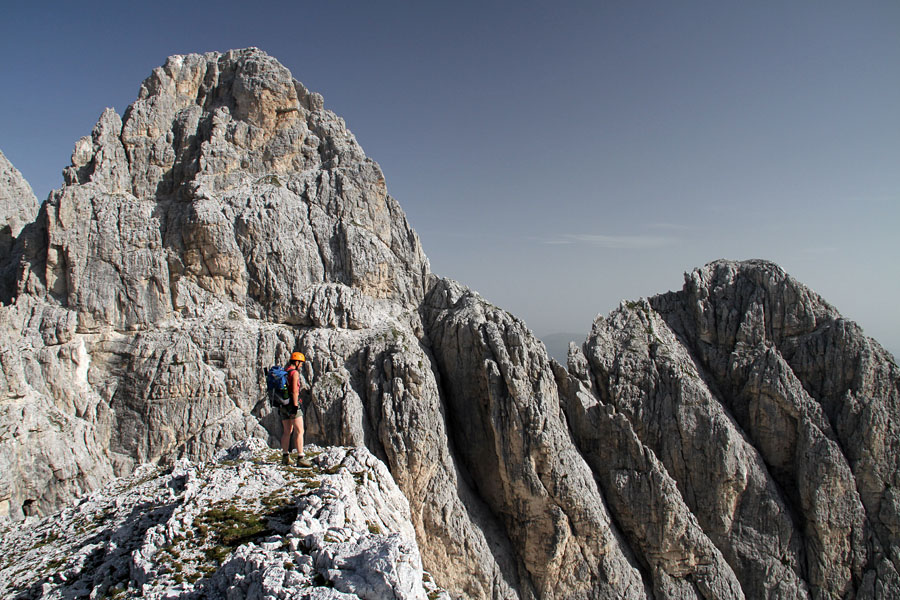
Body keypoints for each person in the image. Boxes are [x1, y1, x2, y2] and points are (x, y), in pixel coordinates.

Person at [281, 351, 312, 467]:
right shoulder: (294, 373)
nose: (302, 365)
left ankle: (285, 457)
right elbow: (294, 391)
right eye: (301, 363)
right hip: (291, 405)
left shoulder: (284, 372)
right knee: (300, 431)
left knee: (287, 431)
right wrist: (295, 406)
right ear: (297, 362)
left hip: (282, 405)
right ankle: (300, 457)